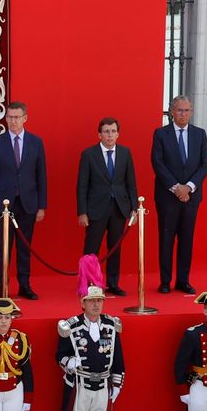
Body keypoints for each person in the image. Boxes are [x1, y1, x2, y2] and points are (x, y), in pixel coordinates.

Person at [56, 256, 125, 411]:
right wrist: (69, 361)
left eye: (100, 301)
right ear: (82, 302)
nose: (97, 305)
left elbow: (117, 358)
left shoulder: (111, 325)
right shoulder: (70, 326)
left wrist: (117, 383)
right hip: (80, 385)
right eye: (92, 301)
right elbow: (59, 356)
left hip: (102, 386)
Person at [0, 101, 48, 300]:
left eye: (16, 117)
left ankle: (25, 285)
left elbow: (41, 176)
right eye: (10, 117)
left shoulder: (36, 142)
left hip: (28, 202)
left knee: (24, 247)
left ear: (25, 118)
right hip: (4, 205)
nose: (13, 121)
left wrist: (42, 205)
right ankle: (2, 287)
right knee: (4, 248)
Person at [151, 96, 207, 294]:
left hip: (191, 197)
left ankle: (183, 280)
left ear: (191, 112)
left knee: (187, 239)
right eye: (179, 110)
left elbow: (204, 165)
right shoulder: (160, 134)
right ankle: (165, 281)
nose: (183, 114)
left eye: (186, 110)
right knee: (166, 239)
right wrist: (176, 188)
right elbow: (158, 163)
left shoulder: (199, 135)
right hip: (168, 196)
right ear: (171, 112)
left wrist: (189, 187)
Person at [78, 116, 139, 296]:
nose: (110, 135)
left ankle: (113, 283)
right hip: (95, 209)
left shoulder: (126, 153)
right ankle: (89, 284)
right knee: (91, 249)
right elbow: (82, 185)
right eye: (106, 131)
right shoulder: (89, 154)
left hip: (119, 208)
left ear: (118, 134)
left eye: (113, 131)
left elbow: (131, 183)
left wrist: (134, 208)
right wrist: (82, 211)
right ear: (99, 135)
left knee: (115, 247)